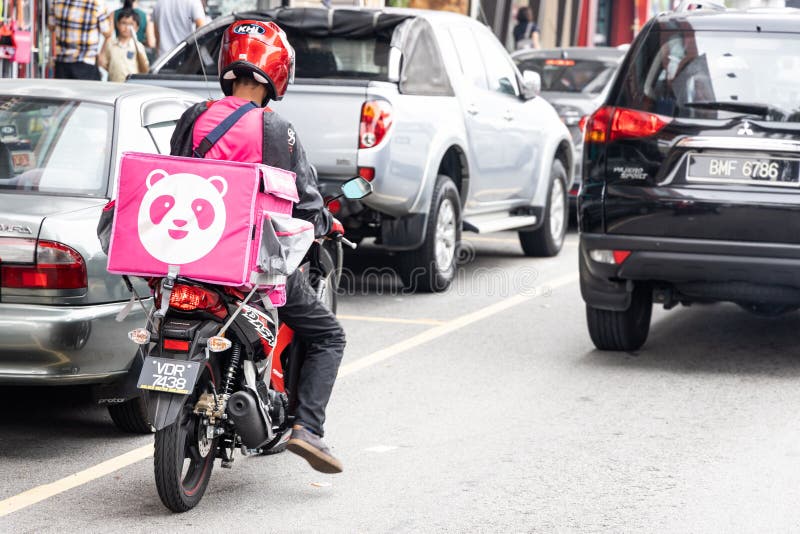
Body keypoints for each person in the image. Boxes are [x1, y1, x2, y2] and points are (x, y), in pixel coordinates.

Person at [169, 20, 346, 474]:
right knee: (328, 334)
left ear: (230, 63)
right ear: (278, 74)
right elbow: (304, 204)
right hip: (253, 267)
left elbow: (174, 174)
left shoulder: (194, 117)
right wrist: (324, 221)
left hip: (188, 258)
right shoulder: (276, 130)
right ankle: (308, 429)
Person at [48, 0, 112, 80]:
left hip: (62, 63)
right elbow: (107, 32)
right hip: (87, 63)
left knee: (64, 91)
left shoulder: (56, 1)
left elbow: (51, 26)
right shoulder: (97, 3)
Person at [98, 9, 149, 82]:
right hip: (114, 83)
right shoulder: (110, 44)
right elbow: (103, 63)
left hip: (132, 85)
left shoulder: (138, 46)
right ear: (118, 24)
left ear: (137, 28)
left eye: (131, 24)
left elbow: (145, 68)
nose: (127, 27)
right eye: (123, 23)